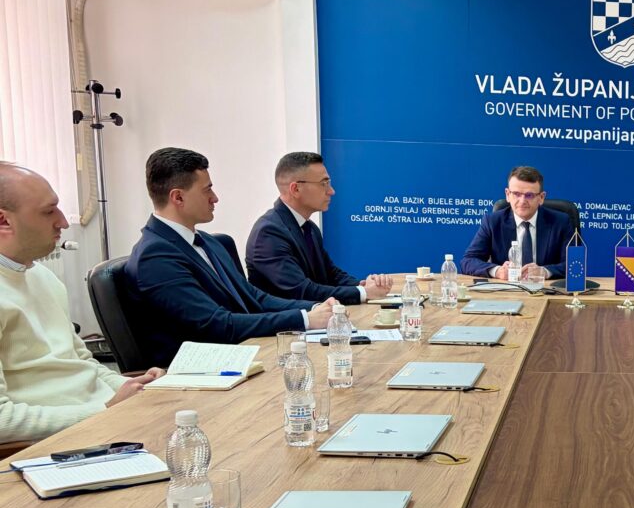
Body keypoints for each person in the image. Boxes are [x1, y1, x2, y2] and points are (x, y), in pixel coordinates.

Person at [0, 162, 162, 444]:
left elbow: (83, 365)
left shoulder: (42, 277)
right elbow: (4, 420)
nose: (63, 222)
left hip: (104, 420)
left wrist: (133, 385)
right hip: (63, 442)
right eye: (48, 211)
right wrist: (105, 410)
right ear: (4, 221)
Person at [125, 148, 333, 368]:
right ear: (178, 197)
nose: (215, 198)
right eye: (207, 190)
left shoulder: (209, 241)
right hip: (202, 371)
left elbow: (253, 296)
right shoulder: (155, 256)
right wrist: (304, 320)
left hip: (242, 353)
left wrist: (312, 308)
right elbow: (215, 325)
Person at [245, 151, 393, 304]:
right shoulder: (268, 233)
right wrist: (363, 293)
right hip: (290, 318)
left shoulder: (309, 228)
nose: (331, 191)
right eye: (324, 184)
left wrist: (362, 285)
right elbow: (302, 291)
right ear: (295, 189)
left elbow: (331, 274)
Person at [461, 166, 570, 279]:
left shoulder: (561, 222)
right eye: (516, 194)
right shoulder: (492, 222)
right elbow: (468, 261)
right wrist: (497, 271)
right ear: (508, 195)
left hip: (545, 287)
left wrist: (545, 272)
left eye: (529, 195)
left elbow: (573, 264)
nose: (522, 201)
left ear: (541, 198)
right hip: (507, 288)